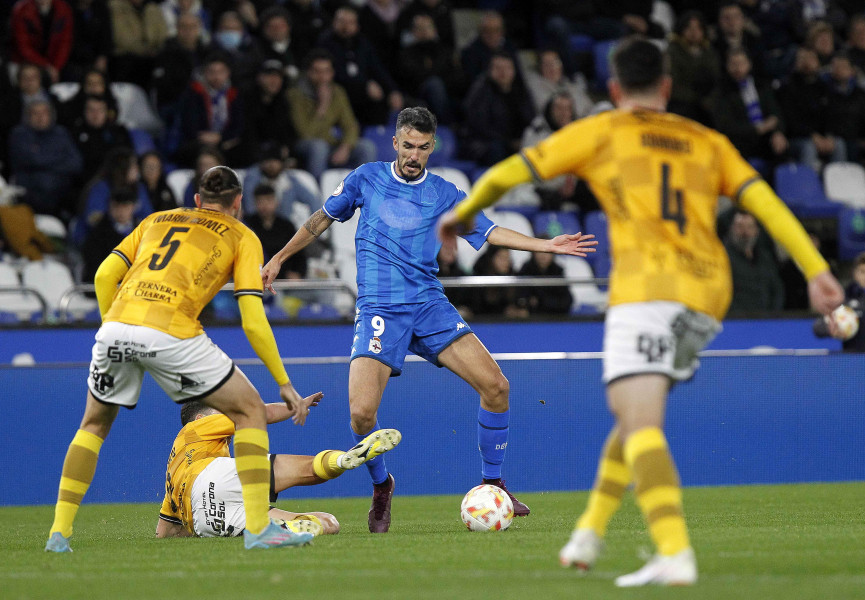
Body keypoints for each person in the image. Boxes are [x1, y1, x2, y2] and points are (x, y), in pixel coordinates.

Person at [438, 37, 844, 586]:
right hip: (709, 292)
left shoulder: (603, 131)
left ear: (612, 89)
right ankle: (589, 530)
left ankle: (673, 550)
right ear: (668, 87)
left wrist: (458, 214)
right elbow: (767, 202)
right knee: (636, 410)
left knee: (640, 418)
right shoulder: (706, 140)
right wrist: (816, 269)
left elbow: (510, 172)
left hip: (648, 289)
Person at [261, 107, 597, 533]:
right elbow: (320, 220)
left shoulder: (444, 193)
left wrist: (546, 245)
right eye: (407, 146)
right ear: (395, 143)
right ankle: (382, 486)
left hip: (428, 305)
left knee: (496, 387)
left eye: (422, 147)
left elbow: (489, 232)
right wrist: (277, 259)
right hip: (380, 309)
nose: (413, 155)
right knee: (362, 415)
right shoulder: (367, 177)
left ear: (431, 147)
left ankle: (494, 484)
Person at [46, 165, 320, 553]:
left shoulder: (155, 220)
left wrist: (114, 330)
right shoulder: (242, 235)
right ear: (238, 203)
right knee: (250, 412)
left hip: (116, 327)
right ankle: (259, 530)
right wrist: (284, 382)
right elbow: (253, 320)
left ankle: (59, 533)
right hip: (173, 330)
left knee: (93, 424)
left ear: (196, 200)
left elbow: (105, 276)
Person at [156, 399, 401, 539]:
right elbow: (255, 413)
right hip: (215, 476)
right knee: (308, 468)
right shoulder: (196, 429)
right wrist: (295, 406)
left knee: (328, 523)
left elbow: (165, 532)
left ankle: (293, 528)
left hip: (209, 522)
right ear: (201, 418)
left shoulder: (174, 470)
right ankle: (343, 460)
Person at [288, 50, 377, 181]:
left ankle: (363, 194)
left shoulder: (337, 92)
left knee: (366, 147)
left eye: (326, 71)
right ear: (308, 72)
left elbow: (350, 125)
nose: (322, 76)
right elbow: (305, 133)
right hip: (303, 146)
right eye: (317, 71)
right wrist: (322, 106)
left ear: (332, 73)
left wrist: (346, 146)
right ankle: (318, 193)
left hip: (330, 143)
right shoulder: (295, 94)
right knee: (319, 147)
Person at [724, 211, 784, 314]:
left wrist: (774, 315)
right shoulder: (723, 257)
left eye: (749, 227)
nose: (745, 232)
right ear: (732, 229)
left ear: (757, 231)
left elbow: (777, 289)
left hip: (767, 320)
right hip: (736, 321)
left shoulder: (765, 258)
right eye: (740, 226)